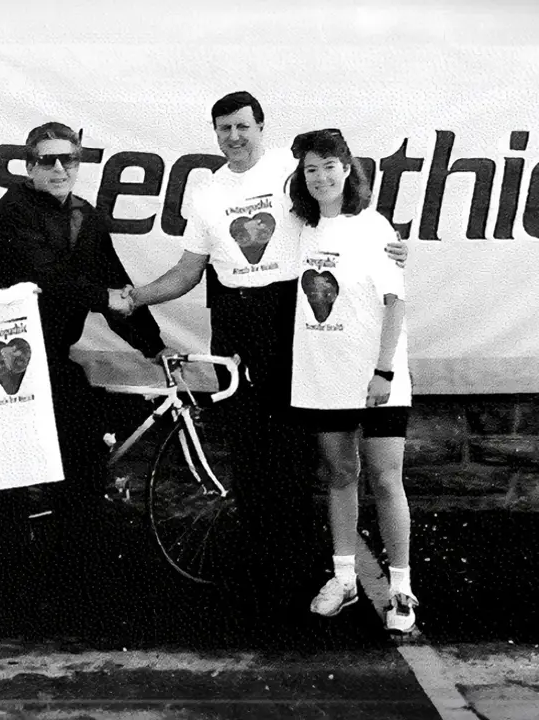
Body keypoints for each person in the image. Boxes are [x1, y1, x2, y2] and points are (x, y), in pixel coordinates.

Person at [122, 91, 407, 616]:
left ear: (260, 127)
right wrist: (137, 296)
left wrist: (389, 247)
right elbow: (188, 272)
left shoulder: (289, 172)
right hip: (233, 319)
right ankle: (256, 571)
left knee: (297, 451)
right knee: (248, 449)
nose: (234, 136)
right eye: (223, 128)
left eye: (242, 126)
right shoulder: (207, 193)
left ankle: (302, 569)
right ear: (215, 133)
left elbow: (341, 213)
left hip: (290, 314)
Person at [0, 122, 170, 510]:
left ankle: (69, 543)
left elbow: (114, 281)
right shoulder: (11, 212)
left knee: (79, 450)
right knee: (21, 471)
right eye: (49, 160)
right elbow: (46, 276)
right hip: (6, 359)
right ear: (30, 167)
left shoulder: (87, 216)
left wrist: (155, 347)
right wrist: (105, 297)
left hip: (53, 357)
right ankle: (14, 550)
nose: (61, 168)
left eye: (70, 159)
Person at [287, 128, 417, 634]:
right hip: (324, 375)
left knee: (386, 478)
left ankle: (402, 590)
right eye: (310, 168)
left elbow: (396, 302)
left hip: (376, 377)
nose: (320, 177)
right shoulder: (300, 228)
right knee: (339, 475)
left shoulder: (373, 226)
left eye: (329, 166)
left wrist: (385, 370)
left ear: (348, 169)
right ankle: (343, 580)